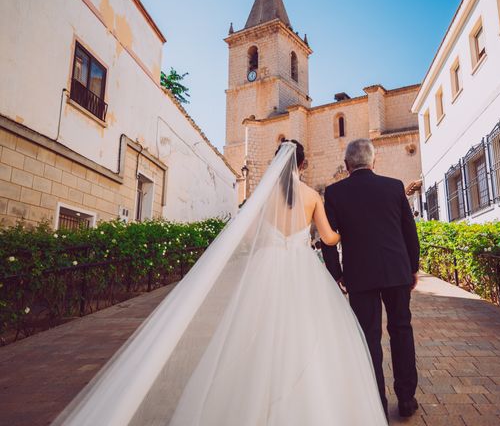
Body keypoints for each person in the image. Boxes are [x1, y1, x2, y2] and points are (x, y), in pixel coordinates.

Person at [54, 140, 387, 426]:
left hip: (266, 268)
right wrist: (351, 230)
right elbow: (329, 238)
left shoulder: (263, 197)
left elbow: (250, 236)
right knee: (304, 332)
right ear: (303, 164)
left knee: (255, 333)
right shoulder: (312, 196)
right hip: (302, 271)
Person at [322, 138, 420, 418]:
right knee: (402, 330)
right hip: (396, 270)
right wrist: (412, 267)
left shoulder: (334, 193)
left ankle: (376, 400)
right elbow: (408, 231)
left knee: (368, 337)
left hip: (359, 275)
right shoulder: (393, 187)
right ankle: (406, 399)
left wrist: (337, 274)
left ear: (346, 165)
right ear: (373, 161)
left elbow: (328, 241)